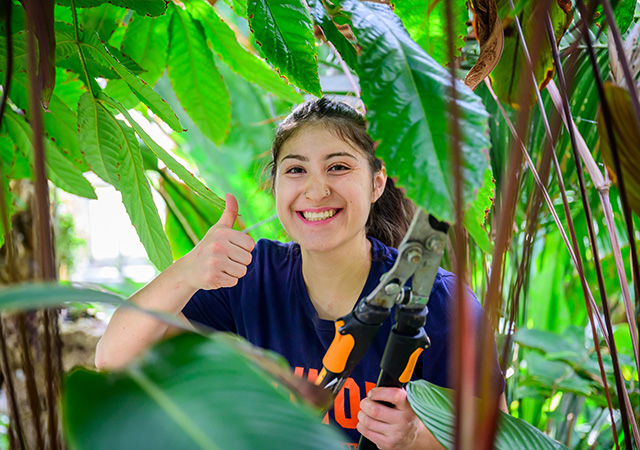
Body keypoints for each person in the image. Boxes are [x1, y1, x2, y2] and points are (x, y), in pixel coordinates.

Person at [96, 98, 506, 450]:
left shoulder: (434, 297)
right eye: (296, 170)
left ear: (377, 183)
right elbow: (114, 358)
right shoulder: (247, 278)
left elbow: (502, 437)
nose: (316, 190)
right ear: (275, 186)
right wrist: (187, 271)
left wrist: (419, 437)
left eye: (339, 167)